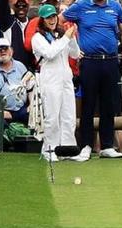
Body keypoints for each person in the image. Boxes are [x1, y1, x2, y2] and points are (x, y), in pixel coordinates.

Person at [60, 0, 122, 159]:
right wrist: (71, 45)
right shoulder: (81, 5)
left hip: (110, 60)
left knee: (108, 104)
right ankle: (86, 145)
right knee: (88, 104)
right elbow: (60, 20)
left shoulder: (115, 6)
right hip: (89, 61)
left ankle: (107, 146)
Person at [31, 4, 79, 162]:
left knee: (69, 115)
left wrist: (71, 38)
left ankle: (68, 149)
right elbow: (50, 53)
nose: (51, 20)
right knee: (52, 116)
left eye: (53, 16)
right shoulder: (37, 38)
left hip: (65, 77)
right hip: (50, 79)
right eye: (48, 18)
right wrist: (66, 37)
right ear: (42, 20)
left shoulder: (60, 34)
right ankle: (50, 149)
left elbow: (75, 53)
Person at [0, 0, 32, 69]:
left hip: (30, 71)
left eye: (24, 6)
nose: (21, 8)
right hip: (11, 70)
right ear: (12, 6)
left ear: (29, 5)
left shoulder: (32, 23)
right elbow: (2, 6)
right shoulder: (7, 22)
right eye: (17, 6)